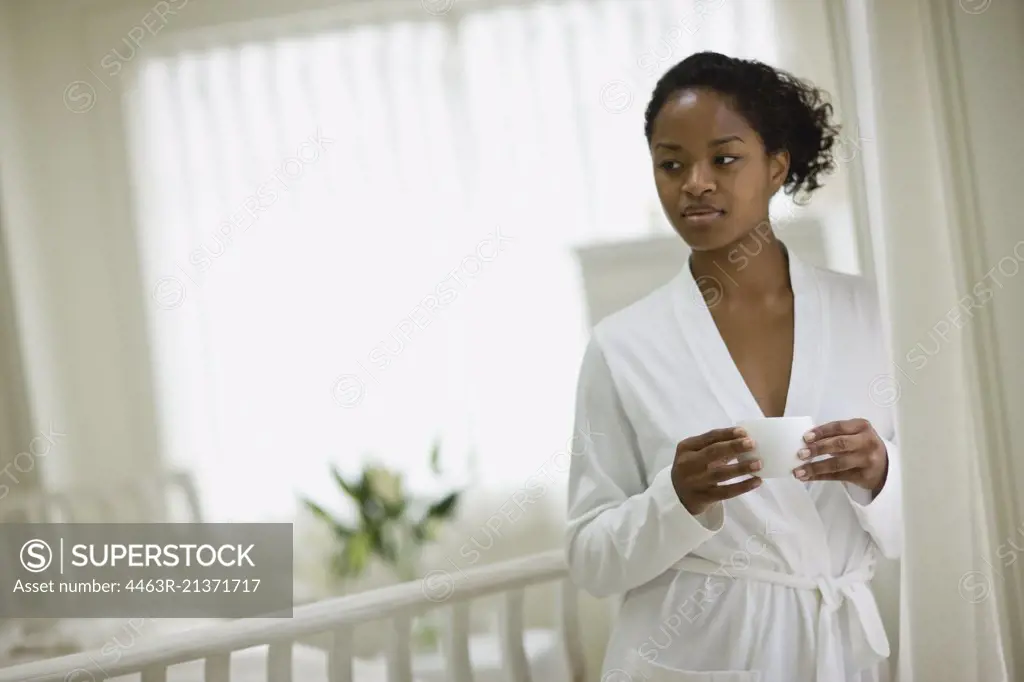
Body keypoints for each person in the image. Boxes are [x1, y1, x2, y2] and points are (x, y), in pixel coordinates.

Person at [564, 51, 902, 682]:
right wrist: (677, 498)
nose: (694, 181)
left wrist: (882, 472)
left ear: (777, 166)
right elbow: (591, 559)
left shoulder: (873, 315)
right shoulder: (623, 346)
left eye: (724, 158)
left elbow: (948, 509)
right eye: (672, 163)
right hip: (690, 652)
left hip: (837, 650)